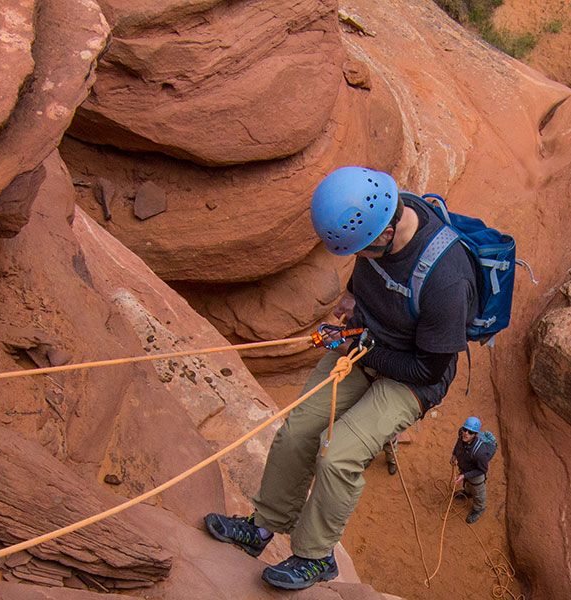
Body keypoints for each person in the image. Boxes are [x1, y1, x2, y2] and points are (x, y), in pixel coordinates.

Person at [204, 166, 478, 590]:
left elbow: (430, 369)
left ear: (386, 234)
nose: (360, 255)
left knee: (338, 454)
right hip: (367, 343)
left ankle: (316, 557)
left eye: (363, 249)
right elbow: (370, 268)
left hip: (412, 377)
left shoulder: (446, 277)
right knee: (298, 430)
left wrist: (358, 347)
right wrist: (353, 301)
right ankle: (262, 527)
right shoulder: (378, 210)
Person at [451, 416, 497, 524]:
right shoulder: (462, 434)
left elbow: (482, 470)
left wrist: (464, 476)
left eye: (470, 432)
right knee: (467, 483)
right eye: (465, 429)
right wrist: (454, 455)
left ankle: (479, 509)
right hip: (467, 465)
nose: (466, 433)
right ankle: (467, 493)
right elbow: (458, 444)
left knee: (477, 490)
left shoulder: (480, 452)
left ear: (475, 434)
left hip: (477, 471)